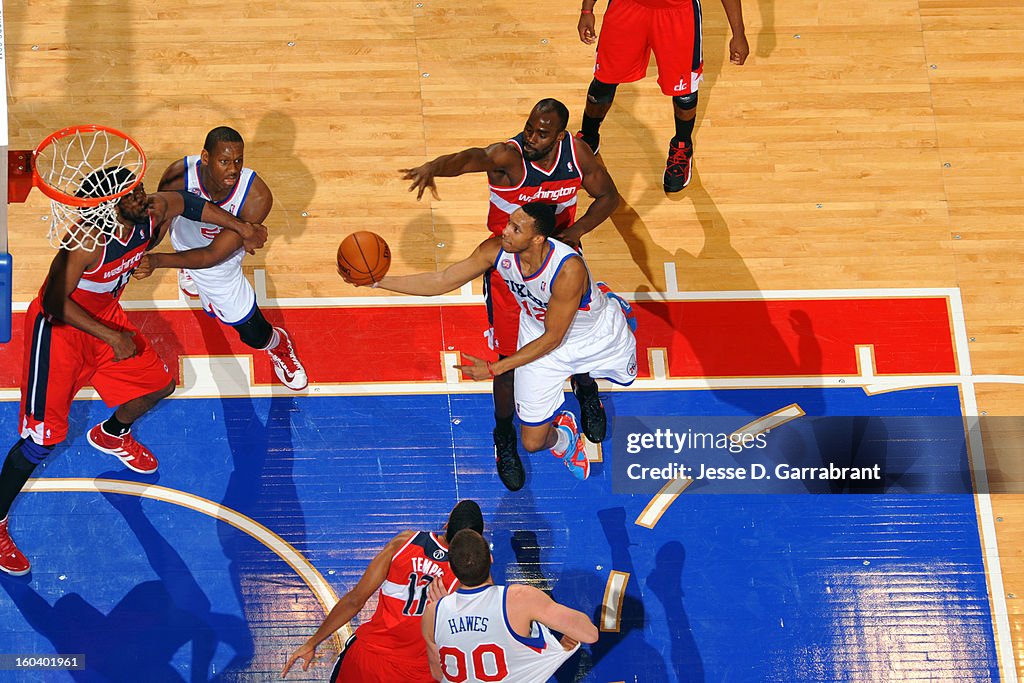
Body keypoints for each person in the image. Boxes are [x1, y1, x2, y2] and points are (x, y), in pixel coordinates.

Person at [0, 168, 268, 576]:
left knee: (159, 384)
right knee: (41, 442)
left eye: (139, 189)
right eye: (131, 195)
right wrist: (112, 336)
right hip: (59, 334)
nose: (143, 198)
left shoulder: (150, 213)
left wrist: (242, 227)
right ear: (106, 205)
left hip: (104, 323)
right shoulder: (86, 242)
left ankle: (111, 433)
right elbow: (54, 301)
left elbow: (189, 204)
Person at [400, 99, 620, 491]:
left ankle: (584, 388)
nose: (531, 137)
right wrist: (435, 167)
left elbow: (609, 197)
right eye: (530, 127)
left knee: (572, 337)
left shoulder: (577, 153)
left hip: (560, 263)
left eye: (542, 133)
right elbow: (471, 158)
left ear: (559, 136)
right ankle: (504, 434)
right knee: (506, 360)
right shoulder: (509, 157)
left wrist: (578, 231)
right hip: (510, 271)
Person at [344, 203, 637, 482]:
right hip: (539, 335)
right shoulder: (496, 251)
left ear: (537, 239)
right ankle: (566, 438)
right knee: (533, 443)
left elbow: (554, 337)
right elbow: (442, 280)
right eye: (509, 224)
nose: (505, 232)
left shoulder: (567, 269)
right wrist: (378, 282)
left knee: (627, 378)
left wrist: (496, 368)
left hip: (591, 335)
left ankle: (607, 302)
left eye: (515, 229)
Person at [155, 126, 308, 391]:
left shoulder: (256, 196)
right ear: (205, 157)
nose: (233, 169)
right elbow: (159, 227)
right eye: (224, 161)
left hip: (218, 263)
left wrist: (157, 261)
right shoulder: (178, 175)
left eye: (238, 161)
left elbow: (212, 255)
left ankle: (277, 344)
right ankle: (188, 271)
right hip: (184, 245)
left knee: (253, 334)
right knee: (185, 248)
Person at [281, 500, 485, 682]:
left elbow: (355, 601)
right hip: (416, 673)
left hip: (367, 660)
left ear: (447, 524)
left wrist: (312, 642)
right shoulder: (467, 578)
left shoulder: (405, 542)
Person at [575, 0, 748, 192]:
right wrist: (587, 9)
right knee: (603, 81)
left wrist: (738, 33)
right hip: (627, 6)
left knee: (684, 93)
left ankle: (682, 146)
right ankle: (588, 138)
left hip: (677, 13)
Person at [422, 529, 599, 682]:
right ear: (491, 559)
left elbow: (439, 673)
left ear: (452, 569)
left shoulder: (433, 613)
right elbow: (589, 634)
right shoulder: (519, 598)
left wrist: (445, 609)